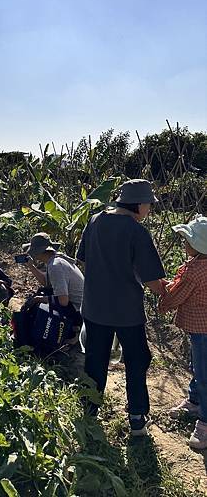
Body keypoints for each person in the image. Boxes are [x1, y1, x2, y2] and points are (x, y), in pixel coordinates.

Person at [76, 178, 165, 436]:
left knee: (95, 360)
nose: (149, 210)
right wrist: (168, 291)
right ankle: (137, 419)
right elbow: (151, 281)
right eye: (148, 204)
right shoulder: (136, 231)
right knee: (137, 360)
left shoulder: (94, 221)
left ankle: (89, 412)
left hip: (94, 308)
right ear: (138, 204)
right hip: (127, 312)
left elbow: (85, 259)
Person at [159, 215, 207, 449]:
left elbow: (178, 295)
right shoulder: (200, 266)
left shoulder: (194, 271)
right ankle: (195, 400)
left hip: (202, 329)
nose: (184, 244)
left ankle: (205, 423)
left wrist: (163, 297)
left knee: (204, 373)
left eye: (187, 240)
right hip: (202, 329)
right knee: (198, 366)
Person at [23, 233, 84, 330]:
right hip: (80, 307)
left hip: (78, 311)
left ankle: (73, 332)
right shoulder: (55, 259)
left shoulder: (55, 266)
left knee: (39, 307)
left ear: (39, 252)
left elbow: (63, 301)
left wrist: (39, 299)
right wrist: (31, 266)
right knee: (43, 292)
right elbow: (46, 283)